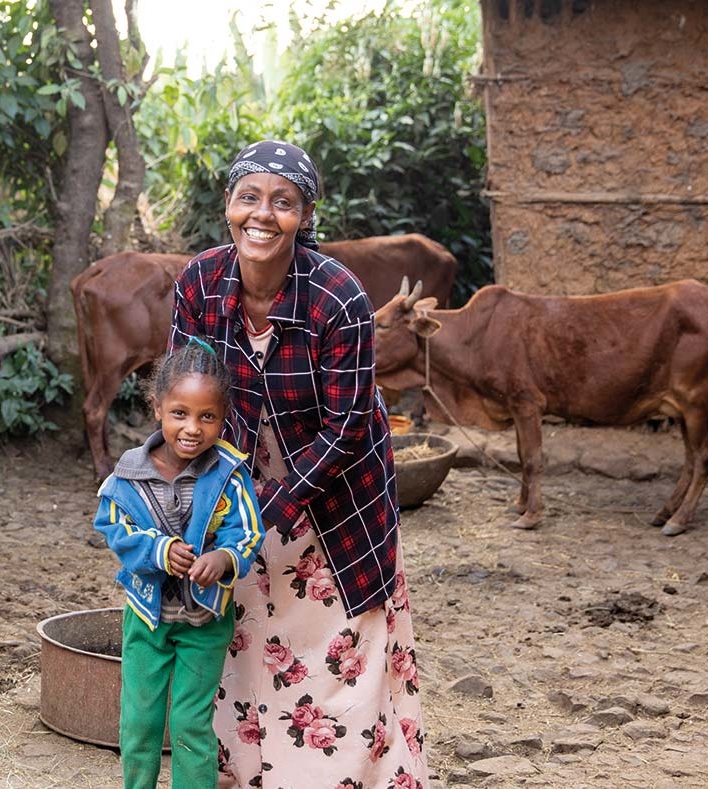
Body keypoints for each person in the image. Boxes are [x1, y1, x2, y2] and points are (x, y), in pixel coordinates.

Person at [169, 140, 428, 788]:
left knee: (339, 651)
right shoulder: (198, 284)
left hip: (338, 492)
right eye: (248, 197)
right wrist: (184, 499)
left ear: (304, 216)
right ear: (227, 205)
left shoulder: (334, 296)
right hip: (240, 478)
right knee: (246, 635)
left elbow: (345, 428)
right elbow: (183, 400)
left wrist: (266, 508)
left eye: (281, 202)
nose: (262, 214)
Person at [93, 339, 265, 789]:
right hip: (147, 619)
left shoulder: (229, 471)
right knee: (140, 722)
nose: (192, 428)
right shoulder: (128, 474)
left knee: (191, 725)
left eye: (208, 417)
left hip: (205, 620)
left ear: (223, 418)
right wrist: (158, 551)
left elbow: (246, 531)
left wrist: (224, 558)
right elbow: (112, 525)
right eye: (180, 414)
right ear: (157, 408)